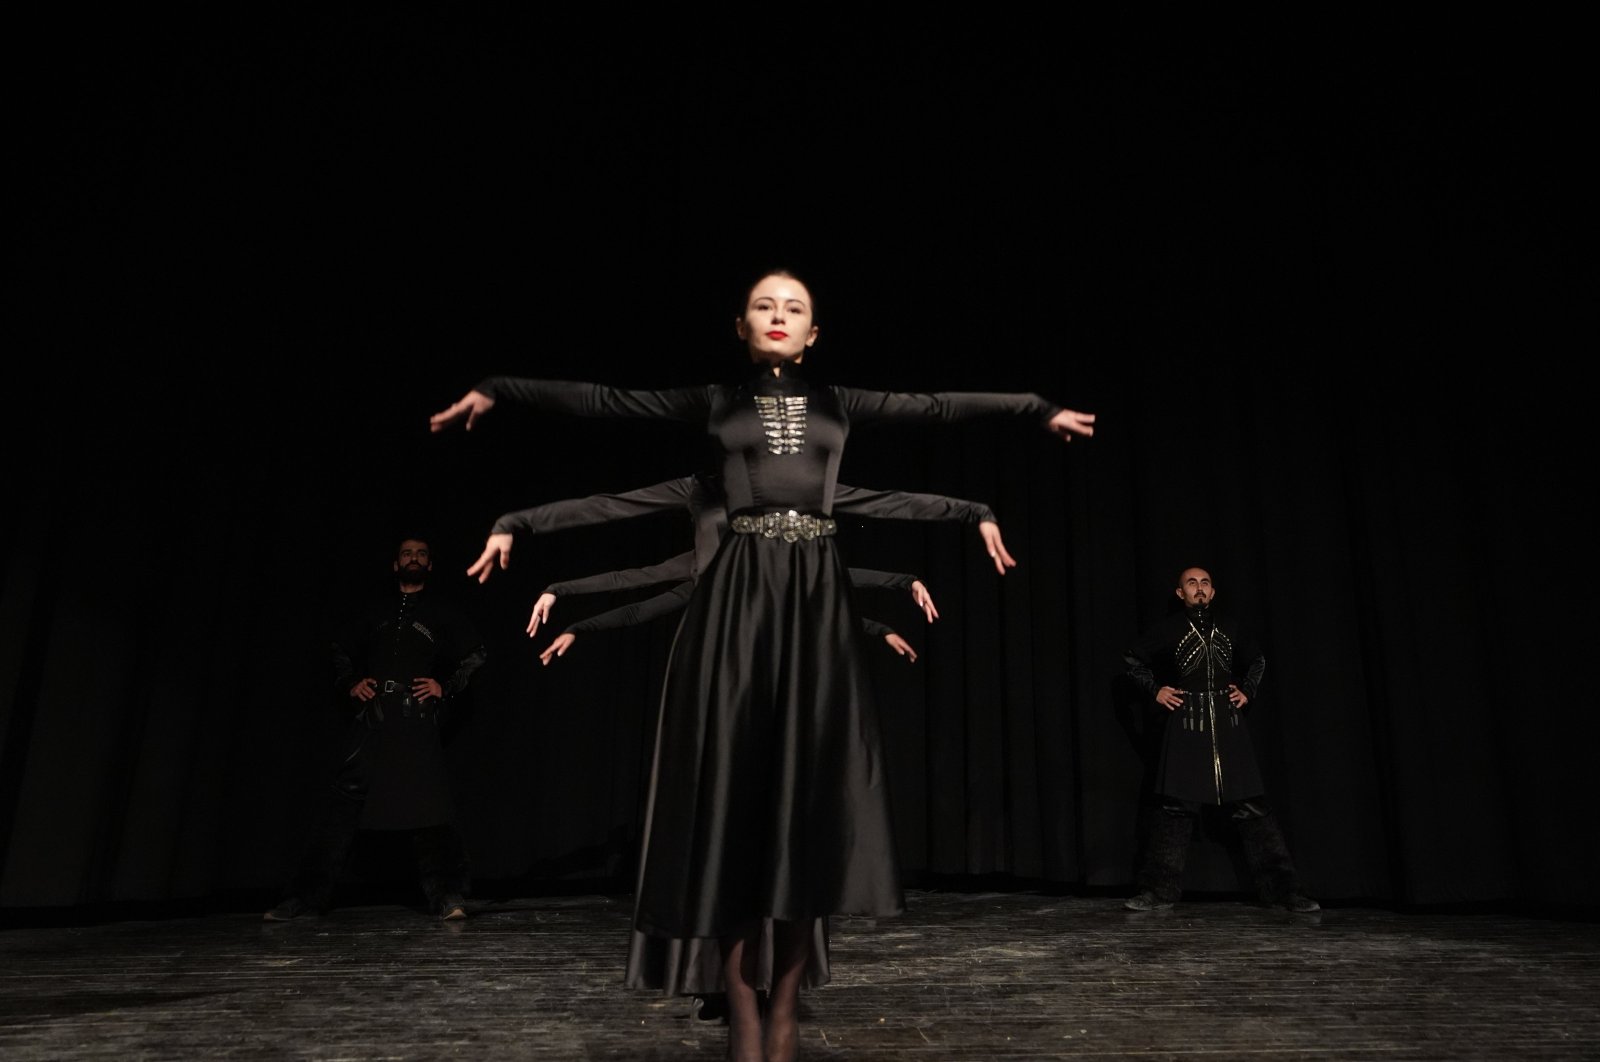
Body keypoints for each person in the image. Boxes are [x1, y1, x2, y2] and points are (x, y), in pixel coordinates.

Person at [430, 269, 1094, 1061]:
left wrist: (1032, 411)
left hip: (814, 602)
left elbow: (940, 409)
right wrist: (501, 393)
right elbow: (605, 402)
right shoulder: (714, 402)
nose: (778, 316)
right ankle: (744, 1016)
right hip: (739, 600)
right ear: (741, 326)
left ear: (814, 334)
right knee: (738, 807)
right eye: (764, 307)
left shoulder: (840, 403)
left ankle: (784, 1012)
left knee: (802, 804)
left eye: (795, 309)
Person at [264, 536, 489, 922]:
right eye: (406, 553)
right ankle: (304, 896)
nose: (413, 558)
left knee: (429, 805)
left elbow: (475, 654)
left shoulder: (440, 612)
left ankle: (448, 895)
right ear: (395, 564)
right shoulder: (374, 612)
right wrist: (351, 682)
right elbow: (339, 649)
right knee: (341, 807)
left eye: (421, 554)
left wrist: (444, 686)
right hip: (375, 717)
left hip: (415, 717)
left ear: (429, 565)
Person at [1119, 566, 1319, 914]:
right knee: (1174, 809)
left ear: (1212, 592)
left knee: (1253, 807)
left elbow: (1256, 660)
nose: (1199, 588)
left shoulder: (1230, 627)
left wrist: (1248, 690)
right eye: (1191, 583)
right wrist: (1156, 691)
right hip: (1188, 724)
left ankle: (1285, 891)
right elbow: (1133, 659)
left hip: (1228, 725)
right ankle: (1157, 891)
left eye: (1205, 583)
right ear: (1180, 593)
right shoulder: (1170, 629)